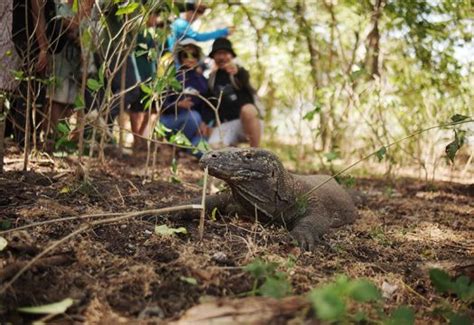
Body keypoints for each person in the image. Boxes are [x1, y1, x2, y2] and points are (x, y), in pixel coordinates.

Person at [200, 37, 262, 148]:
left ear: (231, 55)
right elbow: (209, 105)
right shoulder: (212, 79)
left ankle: (255, 153)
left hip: (248, 123)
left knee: (248, 110)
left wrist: (237, 71)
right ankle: (234, 158)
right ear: (213, 57)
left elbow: (244, 78)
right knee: (214, 148)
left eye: (225, 53)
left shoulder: (238, 72)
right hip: (227, 125)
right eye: (218, 53)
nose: (222, 57)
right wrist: (206, 122)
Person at [160, 40, 207, 154]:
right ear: (181, 58)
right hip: (170, 122)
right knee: (193, 117)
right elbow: (161, 106)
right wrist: (177, 105)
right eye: (186, 55)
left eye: (194, 55)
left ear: (198, 57)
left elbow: (207, 106)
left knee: (202, 150)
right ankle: (175, 146)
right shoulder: (171, 77)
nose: (190, 58)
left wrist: (205, 122)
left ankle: (184, 151)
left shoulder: (203, 81)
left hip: (195, 126)